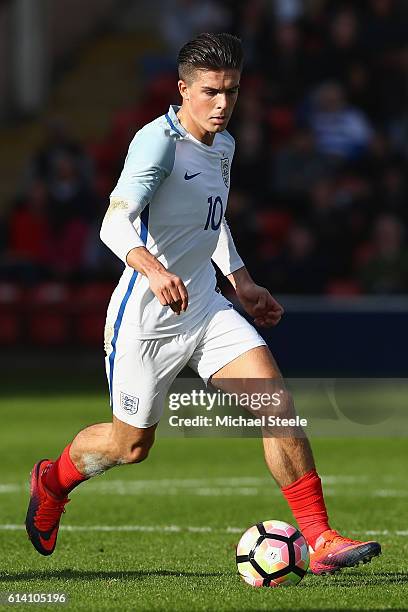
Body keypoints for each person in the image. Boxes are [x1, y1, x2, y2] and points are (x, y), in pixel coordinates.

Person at [26, 32, 381, 575]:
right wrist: (153, 268)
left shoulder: (225, 145)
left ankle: (320, 538)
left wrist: (239, 281)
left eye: (232, 92)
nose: (222, 104)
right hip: (146, 317)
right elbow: (113, 221)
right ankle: (51, 481)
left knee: (276, 403)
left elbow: (210, 221)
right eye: (211, 91)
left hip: (205, 308)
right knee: (130, 447)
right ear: (183, 89)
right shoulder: (157, 143)